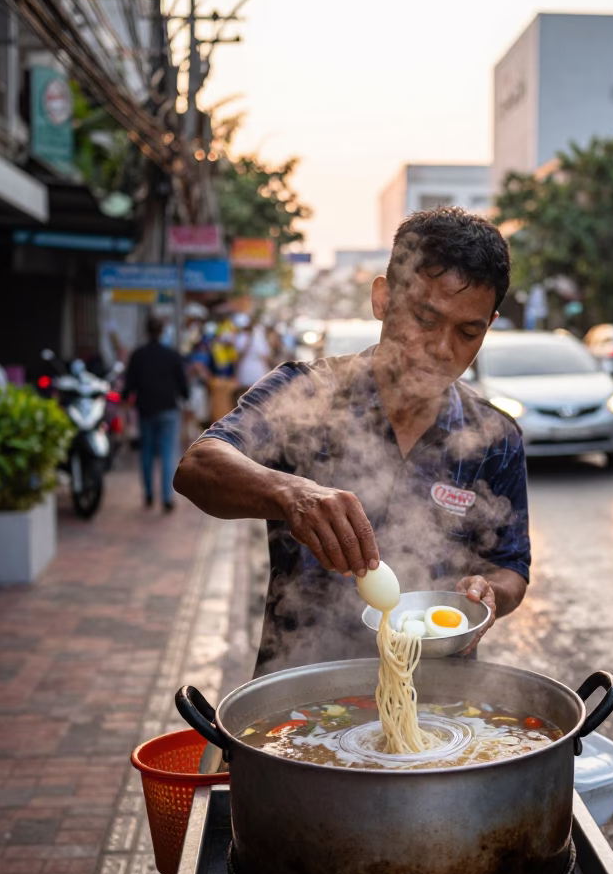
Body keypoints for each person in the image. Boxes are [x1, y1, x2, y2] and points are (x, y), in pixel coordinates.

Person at [174, 208, 529, 675]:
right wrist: (291, 493)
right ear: (383, 298)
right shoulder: (303, 393)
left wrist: (489, 593)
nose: (443, 349)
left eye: (468, 332)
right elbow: (197, 467)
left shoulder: (496, 437)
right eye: (425, 318)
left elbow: (511, 567)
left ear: (489, 325)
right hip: (298, 689)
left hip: (439, 700)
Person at [124, 315, 189, 512]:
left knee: (147, 452)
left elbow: (129, 386)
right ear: (162, 332)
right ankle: (167, 497)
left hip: (146, 410)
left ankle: (149, 494)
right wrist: (185, 396)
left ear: (147, 331)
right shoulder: (172, 354)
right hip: (168, 408)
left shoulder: (138, 355)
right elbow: (183, 386)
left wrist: (125, 397)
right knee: (168, 452)